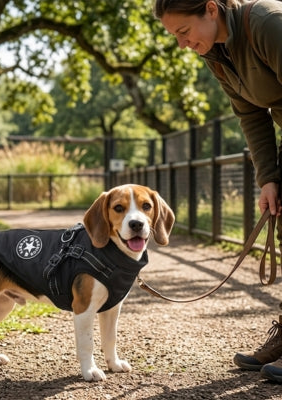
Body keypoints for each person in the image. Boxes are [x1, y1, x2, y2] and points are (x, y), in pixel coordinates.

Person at [153, 0, 282, 383]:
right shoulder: (217, 52)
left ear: (211, 9)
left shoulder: (266, 25)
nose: (182, 44)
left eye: (183, 32)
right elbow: (250, 114)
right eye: (175, 37)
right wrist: (269, 178)